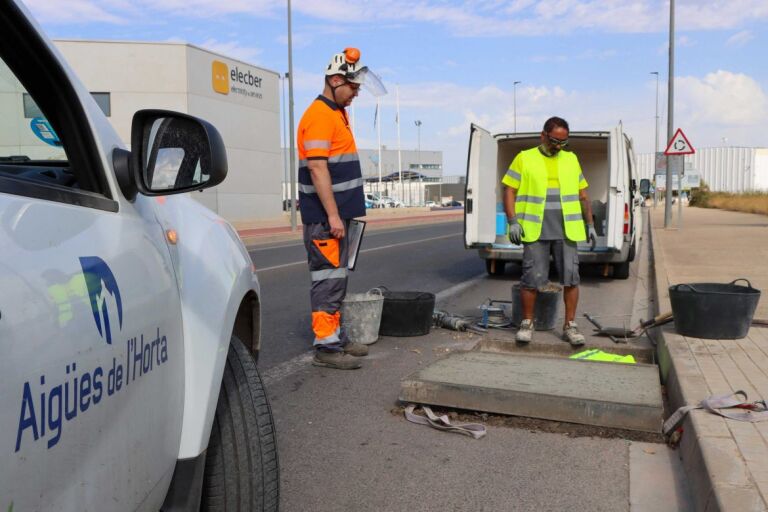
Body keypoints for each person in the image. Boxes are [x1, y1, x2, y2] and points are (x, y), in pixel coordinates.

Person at [297, 48, 386, 370]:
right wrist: (333, 216)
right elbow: (319, 169)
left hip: (337, 216)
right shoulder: (320, 116)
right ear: (336, 80)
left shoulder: (336, 113)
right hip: (325, 219)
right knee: (327, 279)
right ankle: (326, 348)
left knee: (337, 278)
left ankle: (335, 335)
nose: (357, 93)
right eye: (354, 87)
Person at [502, 116, 597, 346]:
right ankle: (527, 323)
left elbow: (583, 195)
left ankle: (570, 326)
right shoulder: (524, 158)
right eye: (555, 141)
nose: (559, 147)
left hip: (567, 231)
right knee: (531, 279)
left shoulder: (571, 159)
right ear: (543, 135)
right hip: (535, 230)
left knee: (571, 279)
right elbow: (509, 190)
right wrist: (513, 220)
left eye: (564, 143)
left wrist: (591, 225)